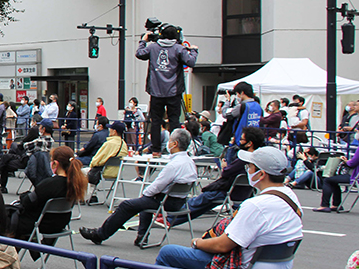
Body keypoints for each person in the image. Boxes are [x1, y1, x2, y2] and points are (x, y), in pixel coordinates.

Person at [121, 146, 302, 269]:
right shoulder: (290, 197)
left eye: (249, 166)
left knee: (169, 254)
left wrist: (197, 242)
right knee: (190, 258)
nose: (247, 170)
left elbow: (223, 245)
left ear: (261, 174)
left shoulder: (256, 205)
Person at [79, 129, 198, 246]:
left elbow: (158, 185)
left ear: (175, 144)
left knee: (129, 205)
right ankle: (142, 236)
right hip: (180, 201)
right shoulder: (190, 162)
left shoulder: (174, 165)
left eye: (170, 140)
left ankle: (100, 234)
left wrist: (145, 194)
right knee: (145, 201)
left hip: (166, 201)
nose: (168, 143)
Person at [168, 126, 265, 227]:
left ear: (249, 143)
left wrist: (224, 165)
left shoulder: (242, 159)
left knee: (199, 201)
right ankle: (170, 219)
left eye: (241, 139)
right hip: (245, 193)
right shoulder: (258, 159)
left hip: (228, 191)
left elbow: (226, 172)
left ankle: (170, 219)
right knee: (201, 201)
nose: (239, 141)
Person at [8, 146, 87, 258]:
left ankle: (8, 256)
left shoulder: (50, 184)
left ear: (55, 163)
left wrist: (24, 195)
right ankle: (29, 249)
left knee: (10, 216)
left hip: (41, 223)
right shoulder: (75, 184)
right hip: (60, 222)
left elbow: (28, 202)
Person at [135, 25, 198, 155]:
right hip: (173, 91)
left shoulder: (153, 47)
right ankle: (175, 148)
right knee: (174, 120)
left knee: (156, 121)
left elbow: (139, 54)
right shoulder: (179, 49)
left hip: (156, 91)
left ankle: (156, 149)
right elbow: (191, 62)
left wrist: (143, 41)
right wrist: (194, 51)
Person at [0, 119, 54, 194]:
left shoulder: (40, 141)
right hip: (34, 161)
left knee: (5, 162)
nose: (38, 128)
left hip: (28, 161)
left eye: (40, 126)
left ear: (44, 129)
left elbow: (26, 146)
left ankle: (1, 182)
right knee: (6, 157)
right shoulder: (51, 140)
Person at [84, 120, 129, 202]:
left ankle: (91, 195)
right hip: (118, 172)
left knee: (82, 172)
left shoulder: (109, 143)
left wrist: (92, 165)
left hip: (105, 171)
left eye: (111, 129)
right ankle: (91, 195)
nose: (109, 130)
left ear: (114, 131)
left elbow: (96, 159)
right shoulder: (124, 144)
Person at [221, 82, 262, 163]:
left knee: (231, 166)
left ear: (242, 93)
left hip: (239, 141)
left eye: (237, 94)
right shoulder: (257, 106)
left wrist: (228, 101)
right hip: (253, 142)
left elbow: (225, 114)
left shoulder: (242, 106)